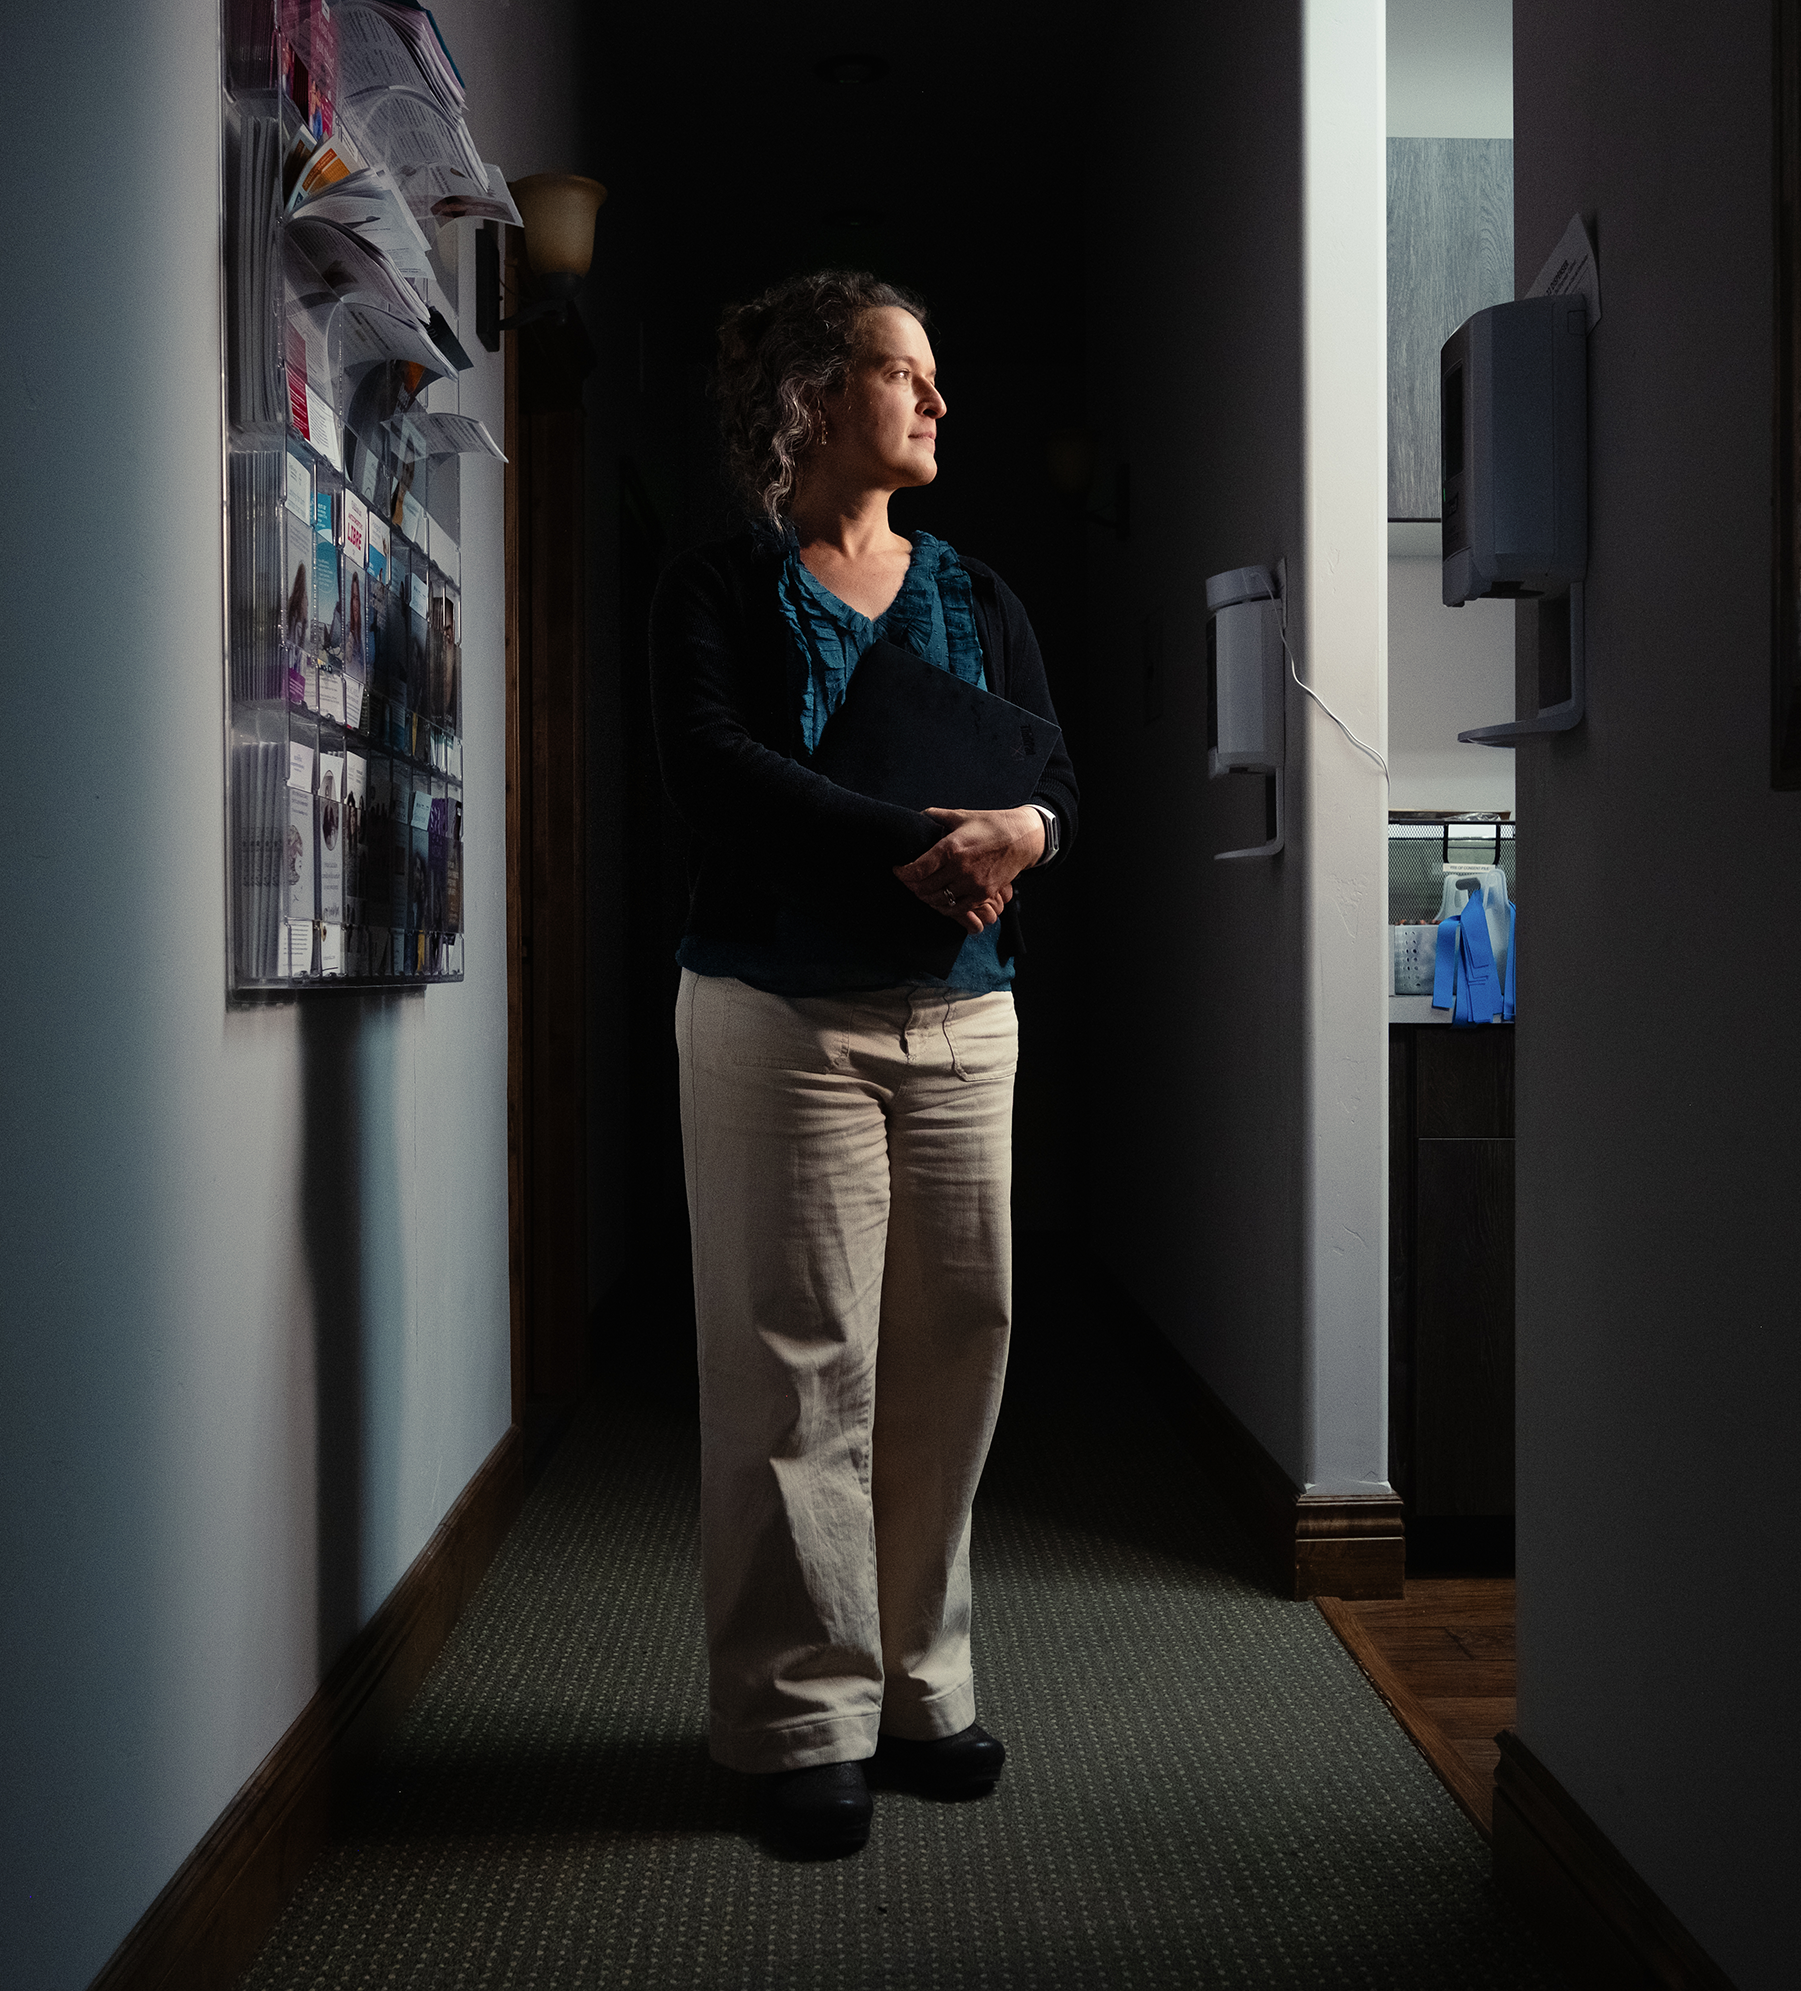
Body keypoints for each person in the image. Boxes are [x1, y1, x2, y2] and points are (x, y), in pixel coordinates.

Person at [647, 271, 1079, 1857]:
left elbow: (1055, 783)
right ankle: (796, 1717)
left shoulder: (981, 594)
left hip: (966, 1016)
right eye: (908, 374)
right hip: (778, 1014)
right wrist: (912, 846)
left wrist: (1016, 837)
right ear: (819, 397)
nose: (938, 402)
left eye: (937, 377)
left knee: (957, 1339)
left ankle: (916, 1680)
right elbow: (714, 772)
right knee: (797, 1359)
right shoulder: (716, 586)